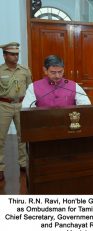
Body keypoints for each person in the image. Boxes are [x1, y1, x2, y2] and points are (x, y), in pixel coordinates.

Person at [0, 42, 32, 181]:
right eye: (12, 54)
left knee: (23, 136)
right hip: (4, 105)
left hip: (21, 105)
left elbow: (30, 89)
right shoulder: (0, 71)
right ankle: (0, 167)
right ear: (4, 55)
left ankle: (24, 163)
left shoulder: (25, 70)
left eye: (17, 54)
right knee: (0, 138)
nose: (16, 56)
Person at [22, 55, 90, 108]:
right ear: (45, 70)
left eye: (60, 72)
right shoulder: (33, 87)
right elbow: (27, 108)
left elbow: (85, 105)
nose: (57, 76)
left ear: (63, 69)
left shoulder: (74, 86)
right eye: (53, 72)